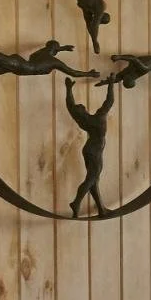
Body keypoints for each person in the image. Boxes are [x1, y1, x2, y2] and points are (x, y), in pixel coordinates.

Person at [65, 78, 115, 218]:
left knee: (93, 179)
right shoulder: (98, 118)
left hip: (88, 149)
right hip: (95, 151)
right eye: (80, 106)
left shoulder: (84, 121)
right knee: (92, 178)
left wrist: (69, 89)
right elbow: (109, 102)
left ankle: (101, 209)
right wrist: (111, 84)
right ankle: (76, 202)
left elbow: (70, 105)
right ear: (84, 110)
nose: (80, 105)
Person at [0, 40, 96, 79]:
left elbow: (50, 48)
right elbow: (73, 73)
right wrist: (89, 74)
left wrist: (62, 48)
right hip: (20, 66)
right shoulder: (53, 61)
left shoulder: (41, 53)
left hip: (19, 65)